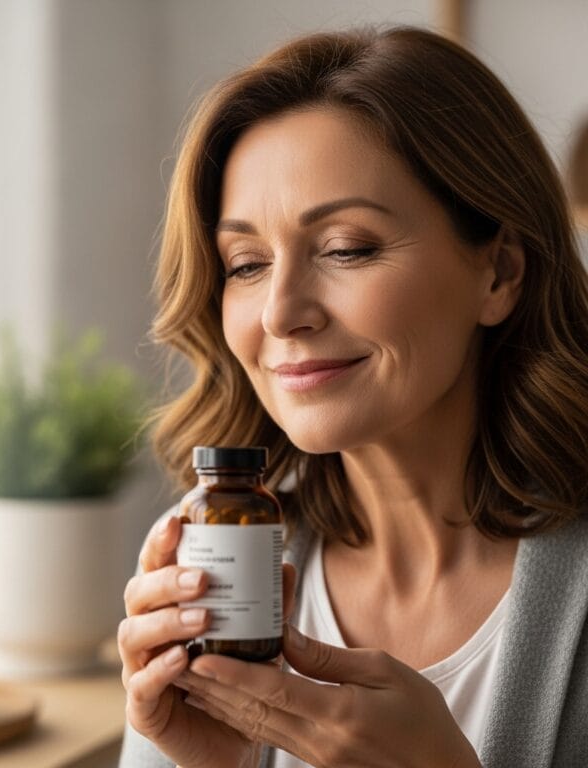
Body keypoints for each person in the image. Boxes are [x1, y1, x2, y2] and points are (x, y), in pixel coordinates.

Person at [117, 25, 588, 768]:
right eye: (245, 264)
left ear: (498, 273)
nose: (280, 313)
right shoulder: (217, 555)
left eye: (346, 249)